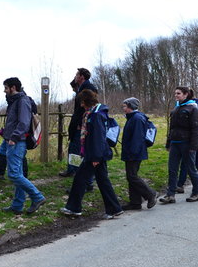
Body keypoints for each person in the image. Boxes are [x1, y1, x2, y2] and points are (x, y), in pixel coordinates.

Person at [61, 89, 123, 219]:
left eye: (82, 103)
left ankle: (73, 208)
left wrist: (95, 157)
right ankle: (114, 209)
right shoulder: (95, 113)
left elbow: (97, 137)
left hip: (95, 154)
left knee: (80, 179)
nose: (81, 105)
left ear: (86, 101)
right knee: (102, 180)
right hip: (95, 153)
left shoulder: (95, 116)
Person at [1, 77, 46, 215]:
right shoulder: (15, 101)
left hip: (17, 142)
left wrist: (14, 137)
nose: (4, 90)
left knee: (13, 174)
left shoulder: (22, 101)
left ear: (13, 88)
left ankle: (37, 197)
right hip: (13, 140)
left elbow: (24, 122)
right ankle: (17, 205)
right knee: (18, 174)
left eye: (6, 88)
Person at [160, 86, 198, 204]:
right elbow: (172, 128)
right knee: (172, 169)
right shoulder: (176, 109)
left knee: (191, 168)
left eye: (178, 93)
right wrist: (169, 143)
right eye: (175, 93)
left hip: (187, 144)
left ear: (185, 95)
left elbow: (196, 129)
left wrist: (193, 147)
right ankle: (170, 195)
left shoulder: (193, 109)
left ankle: (197, 192)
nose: (176, 95)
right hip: (175, 143)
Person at [59, 68, 97, 186]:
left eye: (76, 75)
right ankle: (74, 171)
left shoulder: (88, 89)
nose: (74, 76)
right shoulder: (81, 88)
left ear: (81, 77)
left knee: (78, 150)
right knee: (74, 149)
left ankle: (83, 177)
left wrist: (81, 125)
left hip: (81, 126)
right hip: (79, 124)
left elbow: (87, 109)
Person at [120, 97, 157, 211]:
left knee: (132, 176)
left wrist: (132, 152)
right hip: (132, 152)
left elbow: (137, 138)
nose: (123, 108)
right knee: (131, 177)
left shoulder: (136, 118)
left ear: (130, 106)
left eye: (125, 106)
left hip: (134, 153)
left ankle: (150, 194)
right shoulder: (133, 118)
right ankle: (135, 203)